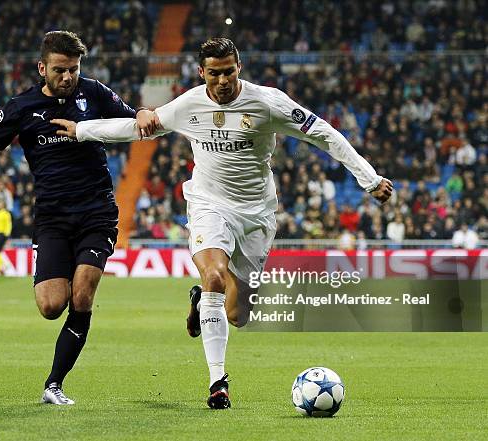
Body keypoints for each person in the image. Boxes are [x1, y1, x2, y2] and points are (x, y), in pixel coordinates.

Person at [52, 38, 393, 410]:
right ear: (202, 73)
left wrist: (369, 178)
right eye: (214, 73)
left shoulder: (267, 102)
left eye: (229, 71)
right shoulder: (189, 103)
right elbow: (139, 129)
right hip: (209, 203)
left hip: (257, 213)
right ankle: (218, 382)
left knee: (238, 315)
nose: (223, 80)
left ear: (239, 68)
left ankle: (202, 302)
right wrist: (83, 130)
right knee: (213, 275)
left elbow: (324, 133)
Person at [0, 30, 155, 405]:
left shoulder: (93, 92)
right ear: (42, 67)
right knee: (52, 306)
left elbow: (134, 118)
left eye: (73, 69)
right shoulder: (22, 108)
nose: (68, 77)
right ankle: (60, 294)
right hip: (52, 217)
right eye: (60, 70)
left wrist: (145, 112)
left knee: (82, 295)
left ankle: (53, 385)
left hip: (96, 211)